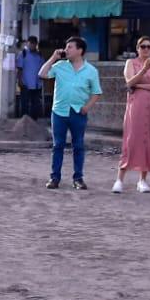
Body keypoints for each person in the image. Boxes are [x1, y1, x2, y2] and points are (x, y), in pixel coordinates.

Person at [39, 35, 101, 190]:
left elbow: (96, 92)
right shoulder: (60, 65)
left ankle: (78, 178)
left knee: (78, 145)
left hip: (78, 112)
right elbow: (42, 74)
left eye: (70, 47)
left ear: (80, 50)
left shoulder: (91, 71)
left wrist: (87, 107)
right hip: (59, 111)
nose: (66, 50)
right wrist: (53, 57)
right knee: (58, 145)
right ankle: (54, 178)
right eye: (66, 47)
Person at [114, 36, 150, 194]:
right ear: (137, 48)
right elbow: (129, 82)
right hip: (136, 104)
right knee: (132, 139)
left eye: (149, 47)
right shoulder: (131, 63)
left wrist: (140, 85)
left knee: (149, 139)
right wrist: (144, 70)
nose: (146, 49)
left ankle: (142, 179)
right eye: (142, 46)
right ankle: (120, 178)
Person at [18, 36, 45, 119]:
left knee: (35, 104)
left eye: (34, 44)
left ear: (36, 44)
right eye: (30, 44)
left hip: (37, 84)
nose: (32, 46)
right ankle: (23, 121)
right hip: (25, 83)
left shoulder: (39, 55)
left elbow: (43, 68)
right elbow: (19, 69)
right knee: (24, 104)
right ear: (27, 44)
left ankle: (34, 121)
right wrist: (19, 81)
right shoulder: (23, 54)